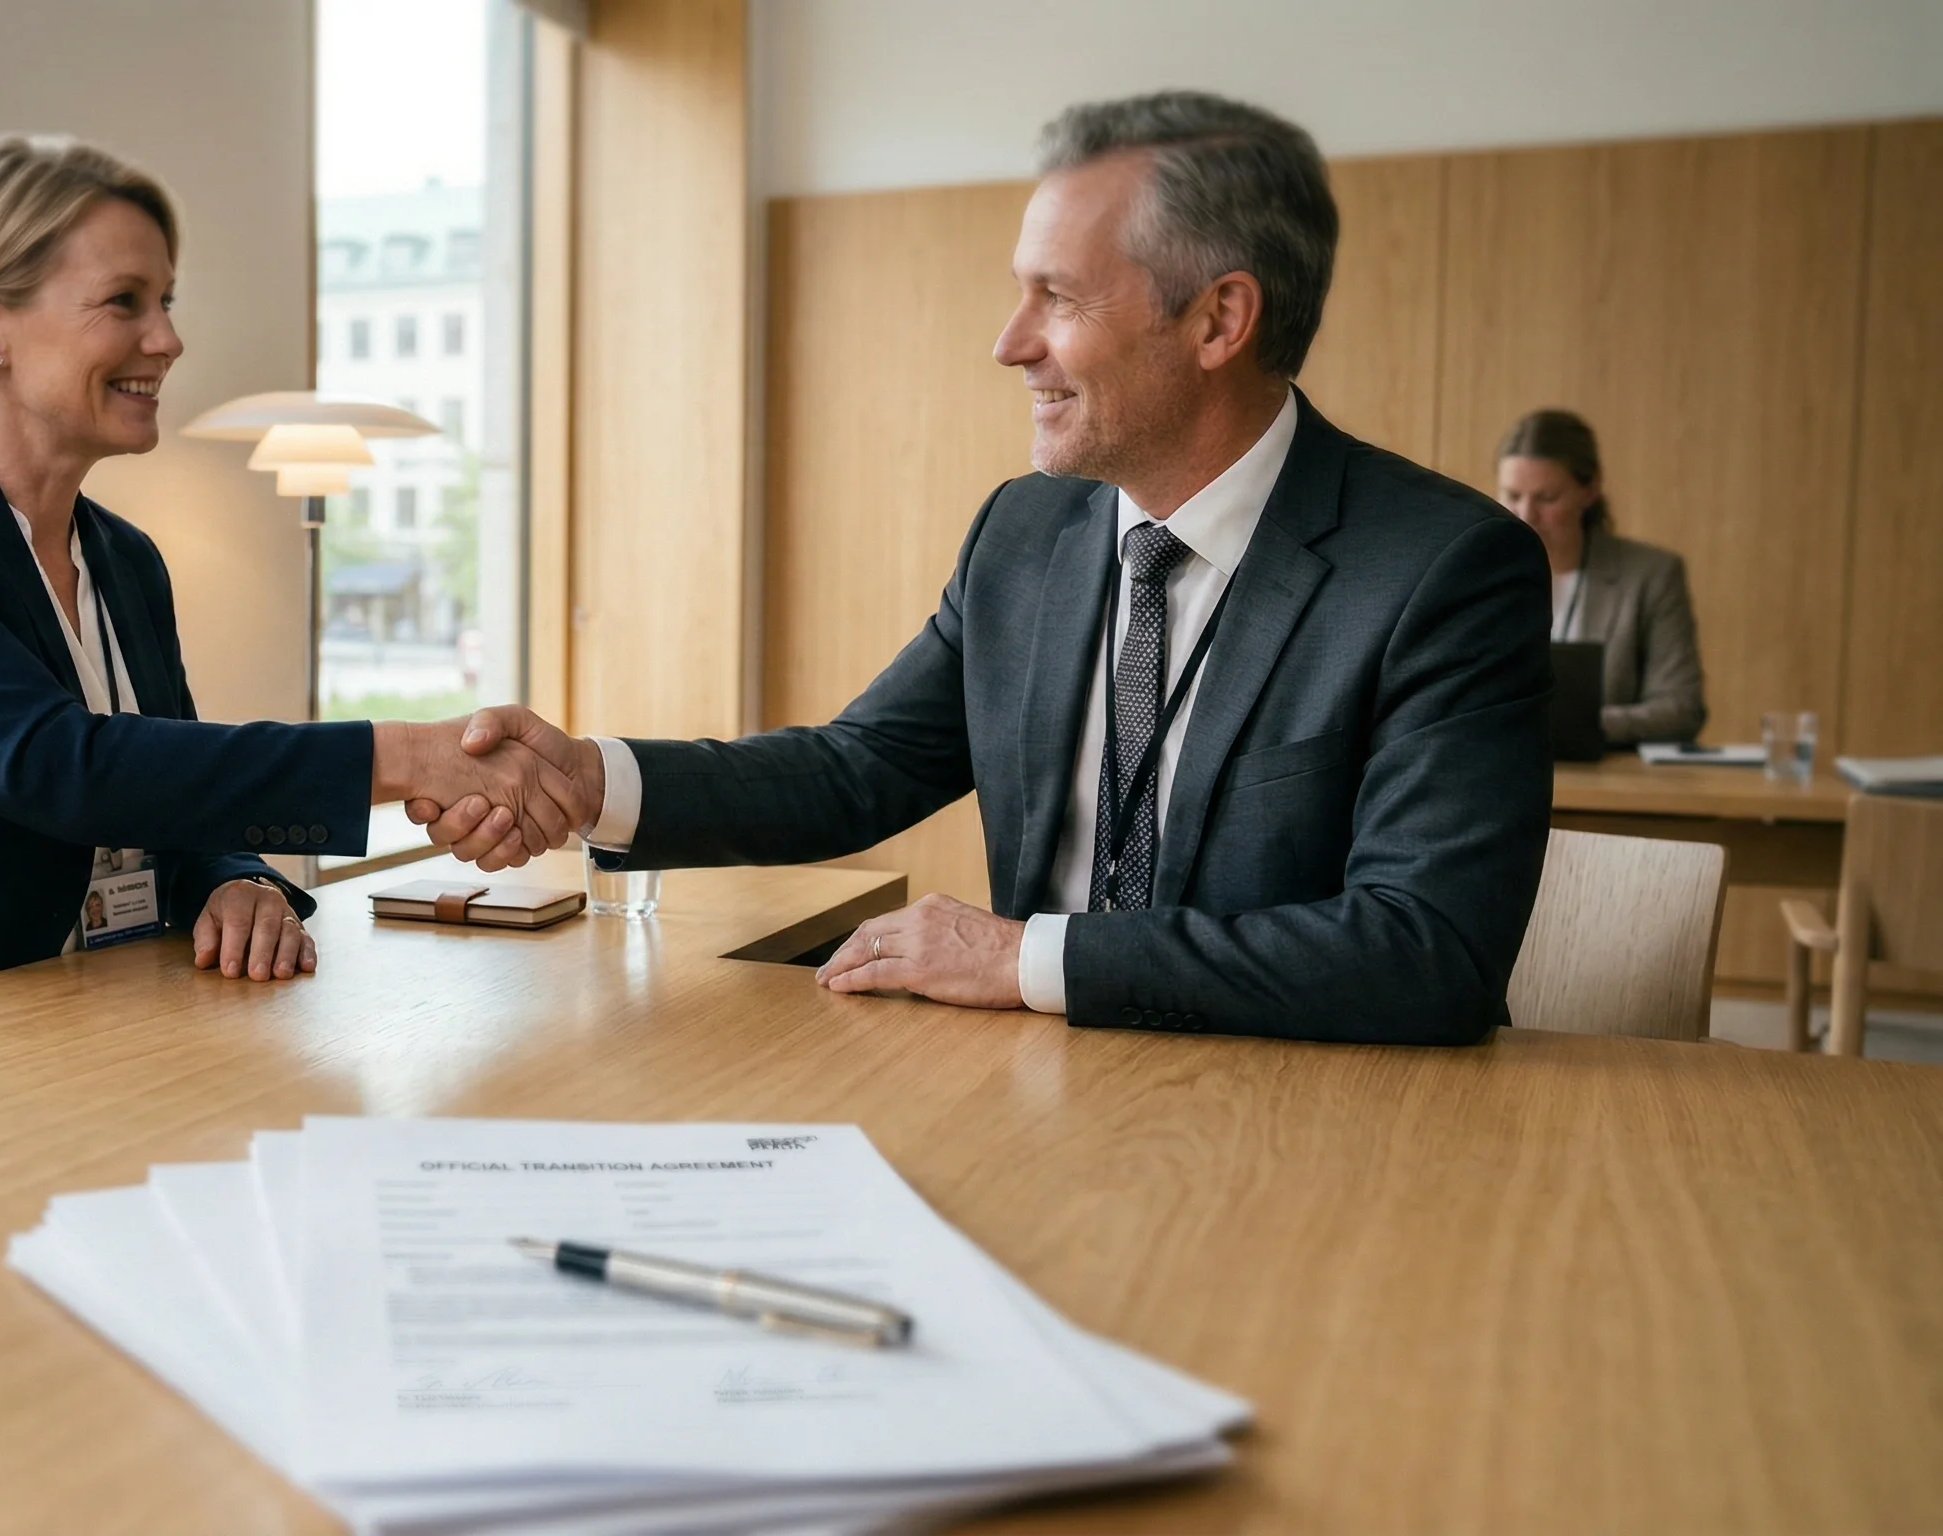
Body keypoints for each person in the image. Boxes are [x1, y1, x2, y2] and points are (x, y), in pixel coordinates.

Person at [419, 92, 1552, 1046]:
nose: (1008, 343)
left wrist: (1022, 959)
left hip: (1297, 1126)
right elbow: (854, 771)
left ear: (1219, 319)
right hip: (1027, 1102)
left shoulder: (1442, 570)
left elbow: (1423, 951)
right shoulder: (1025, 533)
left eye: (1054, 297)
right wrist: (588, 779)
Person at [0, 136, 579, 1046]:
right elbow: (55, 765)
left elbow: (165, 792)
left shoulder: (127, 559)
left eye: (166, 301)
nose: (168, 338)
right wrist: (405, 754)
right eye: (125, 302)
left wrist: (239, 879)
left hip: (60, 1033)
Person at [1495, 409, 1705, 744]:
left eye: (1546, 498)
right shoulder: (1473, 575)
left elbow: (1680, 708)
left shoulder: (1650, 575)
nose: (1525, 516)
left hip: (1606, 783)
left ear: (1590, 489)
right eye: (1512, 496)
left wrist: (1571, 723)